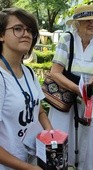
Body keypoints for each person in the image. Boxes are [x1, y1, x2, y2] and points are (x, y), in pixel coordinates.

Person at [48, 4, 93, 170]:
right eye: (86, 21)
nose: (92, 23)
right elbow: (55, 72)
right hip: (67, 102)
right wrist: (78, 89)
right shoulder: (67, 39)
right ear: (76, 23)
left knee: (90, 147)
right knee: (61, 144)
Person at [0, 7, 53, 170]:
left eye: (30, 30)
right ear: (1, 35)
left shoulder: (28, 72)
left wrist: (50, 134)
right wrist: (28, 168)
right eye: (18, 29)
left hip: (30, 159)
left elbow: (39, 110)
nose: (26, 34)